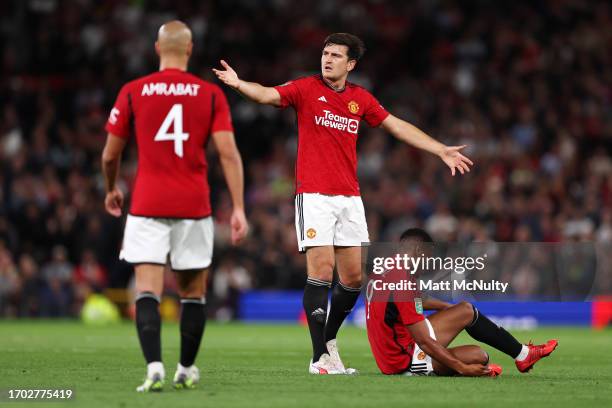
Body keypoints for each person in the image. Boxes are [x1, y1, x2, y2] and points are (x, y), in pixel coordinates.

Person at [213, 33, 474, 374]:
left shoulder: (360, 99)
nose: (328, 59)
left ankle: (329, 342)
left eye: (336, 55)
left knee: (351, 278)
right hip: (315, 195)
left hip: (349, 198)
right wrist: (237, 83)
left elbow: (396, 126)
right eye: (325, 53)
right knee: (321, 270)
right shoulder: (306, 89)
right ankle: (319, 356)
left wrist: (439, 148)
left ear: (350, 64)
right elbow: (267, 94)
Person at [102, 20, 248, 391]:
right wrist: (238, 207)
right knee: (192, 292)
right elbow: (228, 155)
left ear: (156, 49)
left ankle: (153, 368)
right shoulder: (210, 94)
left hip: (148, 203)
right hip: (193, 204)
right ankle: (184, 368)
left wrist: (111, 188)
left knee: (147, 289)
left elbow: (109, 155)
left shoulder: (134, 91)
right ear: (190, 49)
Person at [365, 228, 558, 377]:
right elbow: (423, 341)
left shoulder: (389, 268)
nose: (429, 263)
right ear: (418, 250)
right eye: (429, 257)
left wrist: (447, 309)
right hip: (403, 359)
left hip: (390, 352)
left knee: (464, 312)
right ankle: (521, 355)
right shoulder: (402, 279)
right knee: (479, 356)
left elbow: (414, 300)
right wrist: (462, 368)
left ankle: (522, 354)